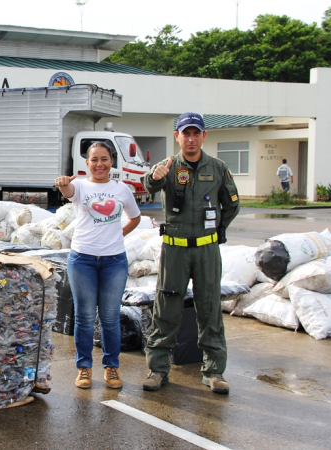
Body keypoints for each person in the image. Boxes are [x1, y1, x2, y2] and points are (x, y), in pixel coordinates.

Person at [141, 112, 240, 394]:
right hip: (175, 249)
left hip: (207, 250)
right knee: (166, 307)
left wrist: (217, 233)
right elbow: (151, 185)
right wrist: (153, 176)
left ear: (204, 136)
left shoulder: (218, 168)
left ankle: (214, 371)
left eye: (196, 133)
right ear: (177, 136)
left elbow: (232, 205)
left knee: (209, 307)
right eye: (186, 133)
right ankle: (158, 369)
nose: (191, 138)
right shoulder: (168, 166)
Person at [56, 141, 141, 390]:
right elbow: (68, 191)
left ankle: (111, 367)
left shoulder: (122, 189)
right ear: (87, 163)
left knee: (110, 317)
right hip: (82, 259)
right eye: (94, 159)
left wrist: (118, 236)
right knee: (83, 317)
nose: (99, 164)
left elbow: (135, 217)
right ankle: (84, 368)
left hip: (114, 262)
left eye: (104, 159)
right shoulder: (80, 186)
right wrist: (63, 184)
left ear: (111, 161)